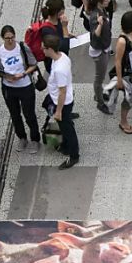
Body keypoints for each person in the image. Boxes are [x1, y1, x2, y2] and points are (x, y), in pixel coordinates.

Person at [0, 25, 40, 154]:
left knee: (29, 114)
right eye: (7, 38)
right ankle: (22, 137)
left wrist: (23, 74)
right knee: (15, 115)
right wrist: (5, 76)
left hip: (25, 86)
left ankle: (35, 139)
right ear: (2, 38)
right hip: (9, 88)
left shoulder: (22, 47)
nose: (10, 40)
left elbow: (33, 64)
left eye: (12, 37)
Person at [42, 35, 79, 170]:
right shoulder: (62, 56)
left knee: (67, 129)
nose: (42, 50)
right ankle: (65, 146)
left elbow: (62, 92)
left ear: (50, 49)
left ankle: (74, 155)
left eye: (44, 48)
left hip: (62, 103)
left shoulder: (59, 70)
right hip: (61, 98)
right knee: (65, 126)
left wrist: (58, 111)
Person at [87, 0, 113, 114]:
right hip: (100, 51)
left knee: (101, 76)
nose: (109, 0)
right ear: (99, 2)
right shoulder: (95, 16)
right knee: (99, 78)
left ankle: (98, 95)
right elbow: (95, 35)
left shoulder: (102, 10)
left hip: (104, 47)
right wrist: (100, 24)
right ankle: (100, 102)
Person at [39, 0, 71, 75]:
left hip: (60, 60)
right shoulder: (47, 30)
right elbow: (64, 47)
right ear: (57, 12)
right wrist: (65, 27)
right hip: (54, 65)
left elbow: (59, 33)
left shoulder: (57, 20)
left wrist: (66, 33)